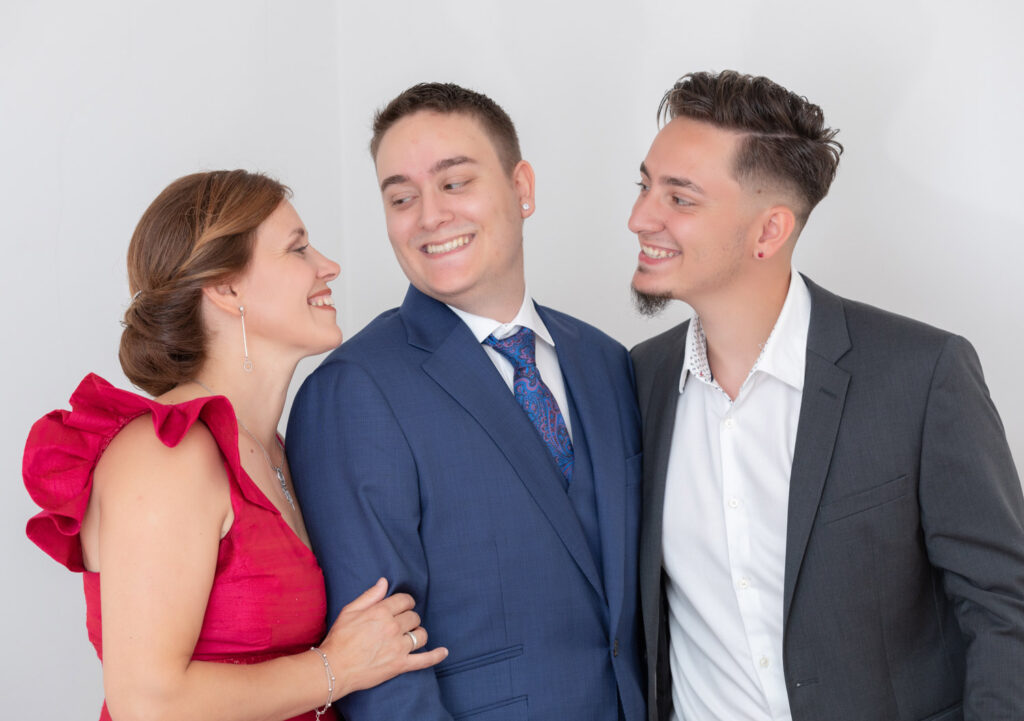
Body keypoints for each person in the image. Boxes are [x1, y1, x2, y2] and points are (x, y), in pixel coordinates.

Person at [628, 70, 1024, 721]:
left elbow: (1004, 607)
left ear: (769, 231)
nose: (640, 217)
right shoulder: (637, 382)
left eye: (680, 198)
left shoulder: (922, 375)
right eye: (644, 186)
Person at [23, 170, 447, 721]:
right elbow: (147, 703)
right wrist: (335, 668)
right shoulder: (167, 454)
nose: (328, 267)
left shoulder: (276, 450)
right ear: (226, 289)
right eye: (297, 249)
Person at [286, 83, 646, 721]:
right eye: (402, 197)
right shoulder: (353, 391)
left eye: (454, 183)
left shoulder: (607, 362)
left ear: (522, 188)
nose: (429, 216)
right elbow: (380, 675)